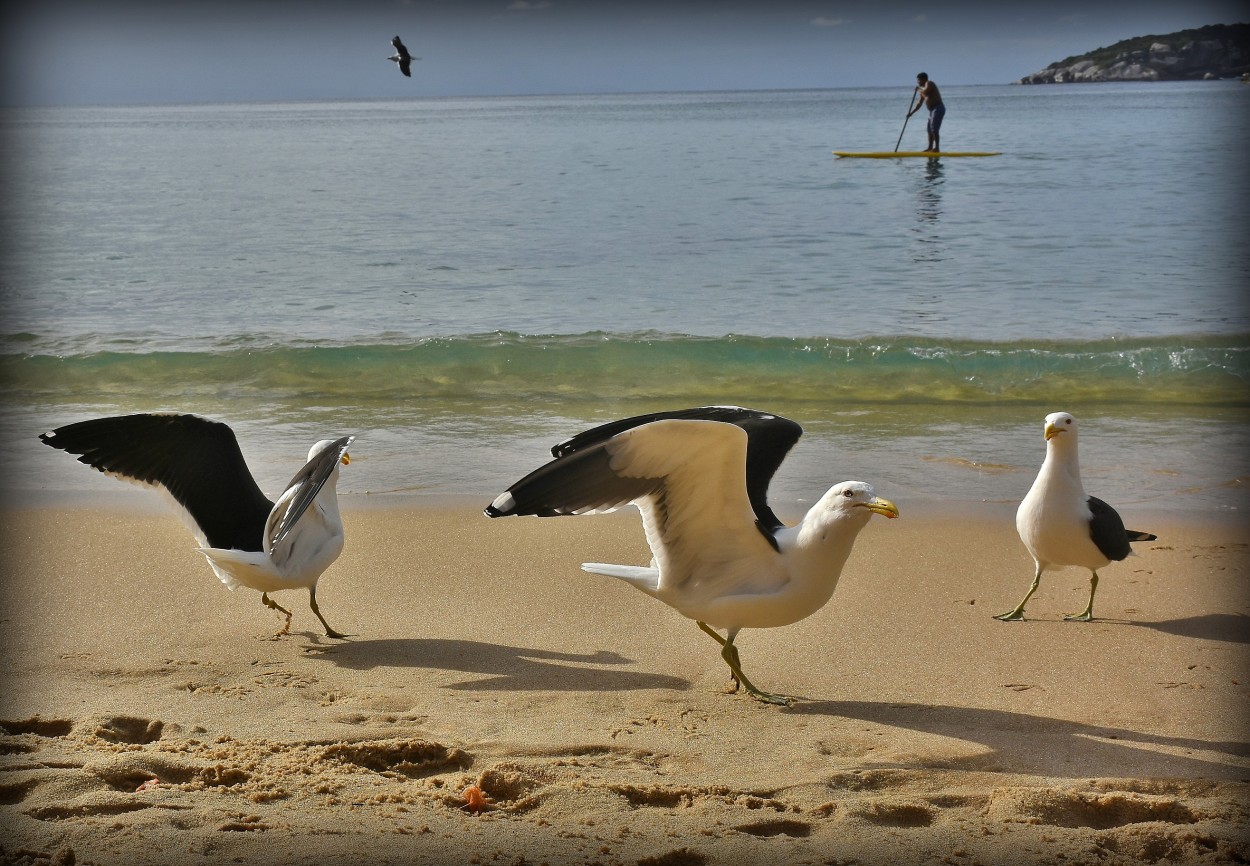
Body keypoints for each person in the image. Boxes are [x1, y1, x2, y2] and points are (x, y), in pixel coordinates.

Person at [907, 72, 944, 153]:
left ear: (923, 79)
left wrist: (918, 89)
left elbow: (926, 91)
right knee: (929, 130)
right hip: (932, 111)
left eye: (919, 80)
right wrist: (911, 113)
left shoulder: (929, 83)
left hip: (938, 108)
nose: (918, 82)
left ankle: (937, 148)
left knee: (934, 128)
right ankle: (930, 148)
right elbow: (919, 104)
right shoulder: (922, 90)